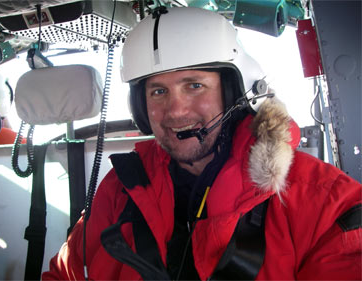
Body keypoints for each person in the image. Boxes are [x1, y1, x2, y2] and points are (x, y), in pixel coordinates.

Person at [42, 7, 361, 280]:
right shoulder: (120, 190)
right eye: (158, 92)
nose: (176, 111)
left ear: (236, 93)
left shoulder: (324, 202)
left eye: (194, 85)